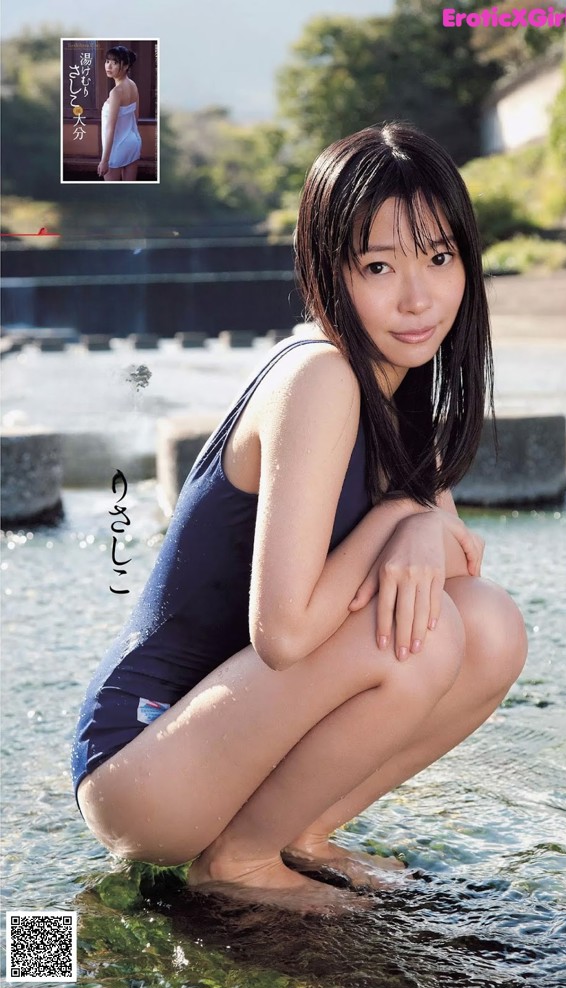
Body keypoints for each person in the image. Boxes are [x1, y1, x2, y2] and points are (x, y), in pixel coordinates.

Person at [72, 122, 528, 910]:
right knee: (424, 636)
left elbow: (458, 562)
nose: (418, 297)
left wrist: (419, 524)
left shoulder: (400, 386)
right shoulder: (320, 375)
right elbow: (281, 635)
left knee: (488, 625)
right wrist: (400, 524)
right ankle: (240, 863)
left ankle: (300, 833)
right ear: (329, 270)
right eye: (379, 266)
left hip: (224, 742)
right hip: (147, 759)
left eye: (440, 257)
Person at [98, 46, 142, 181]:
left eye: (115, 62)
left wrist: (104, 160)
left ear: (126, 66)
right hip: (133, 142)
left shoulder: (116, 93)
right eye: (107, 61)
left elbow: (110, 128)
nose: (109, 66)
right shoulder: (133, 85)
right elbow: (136, 117)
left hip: (116, 148)